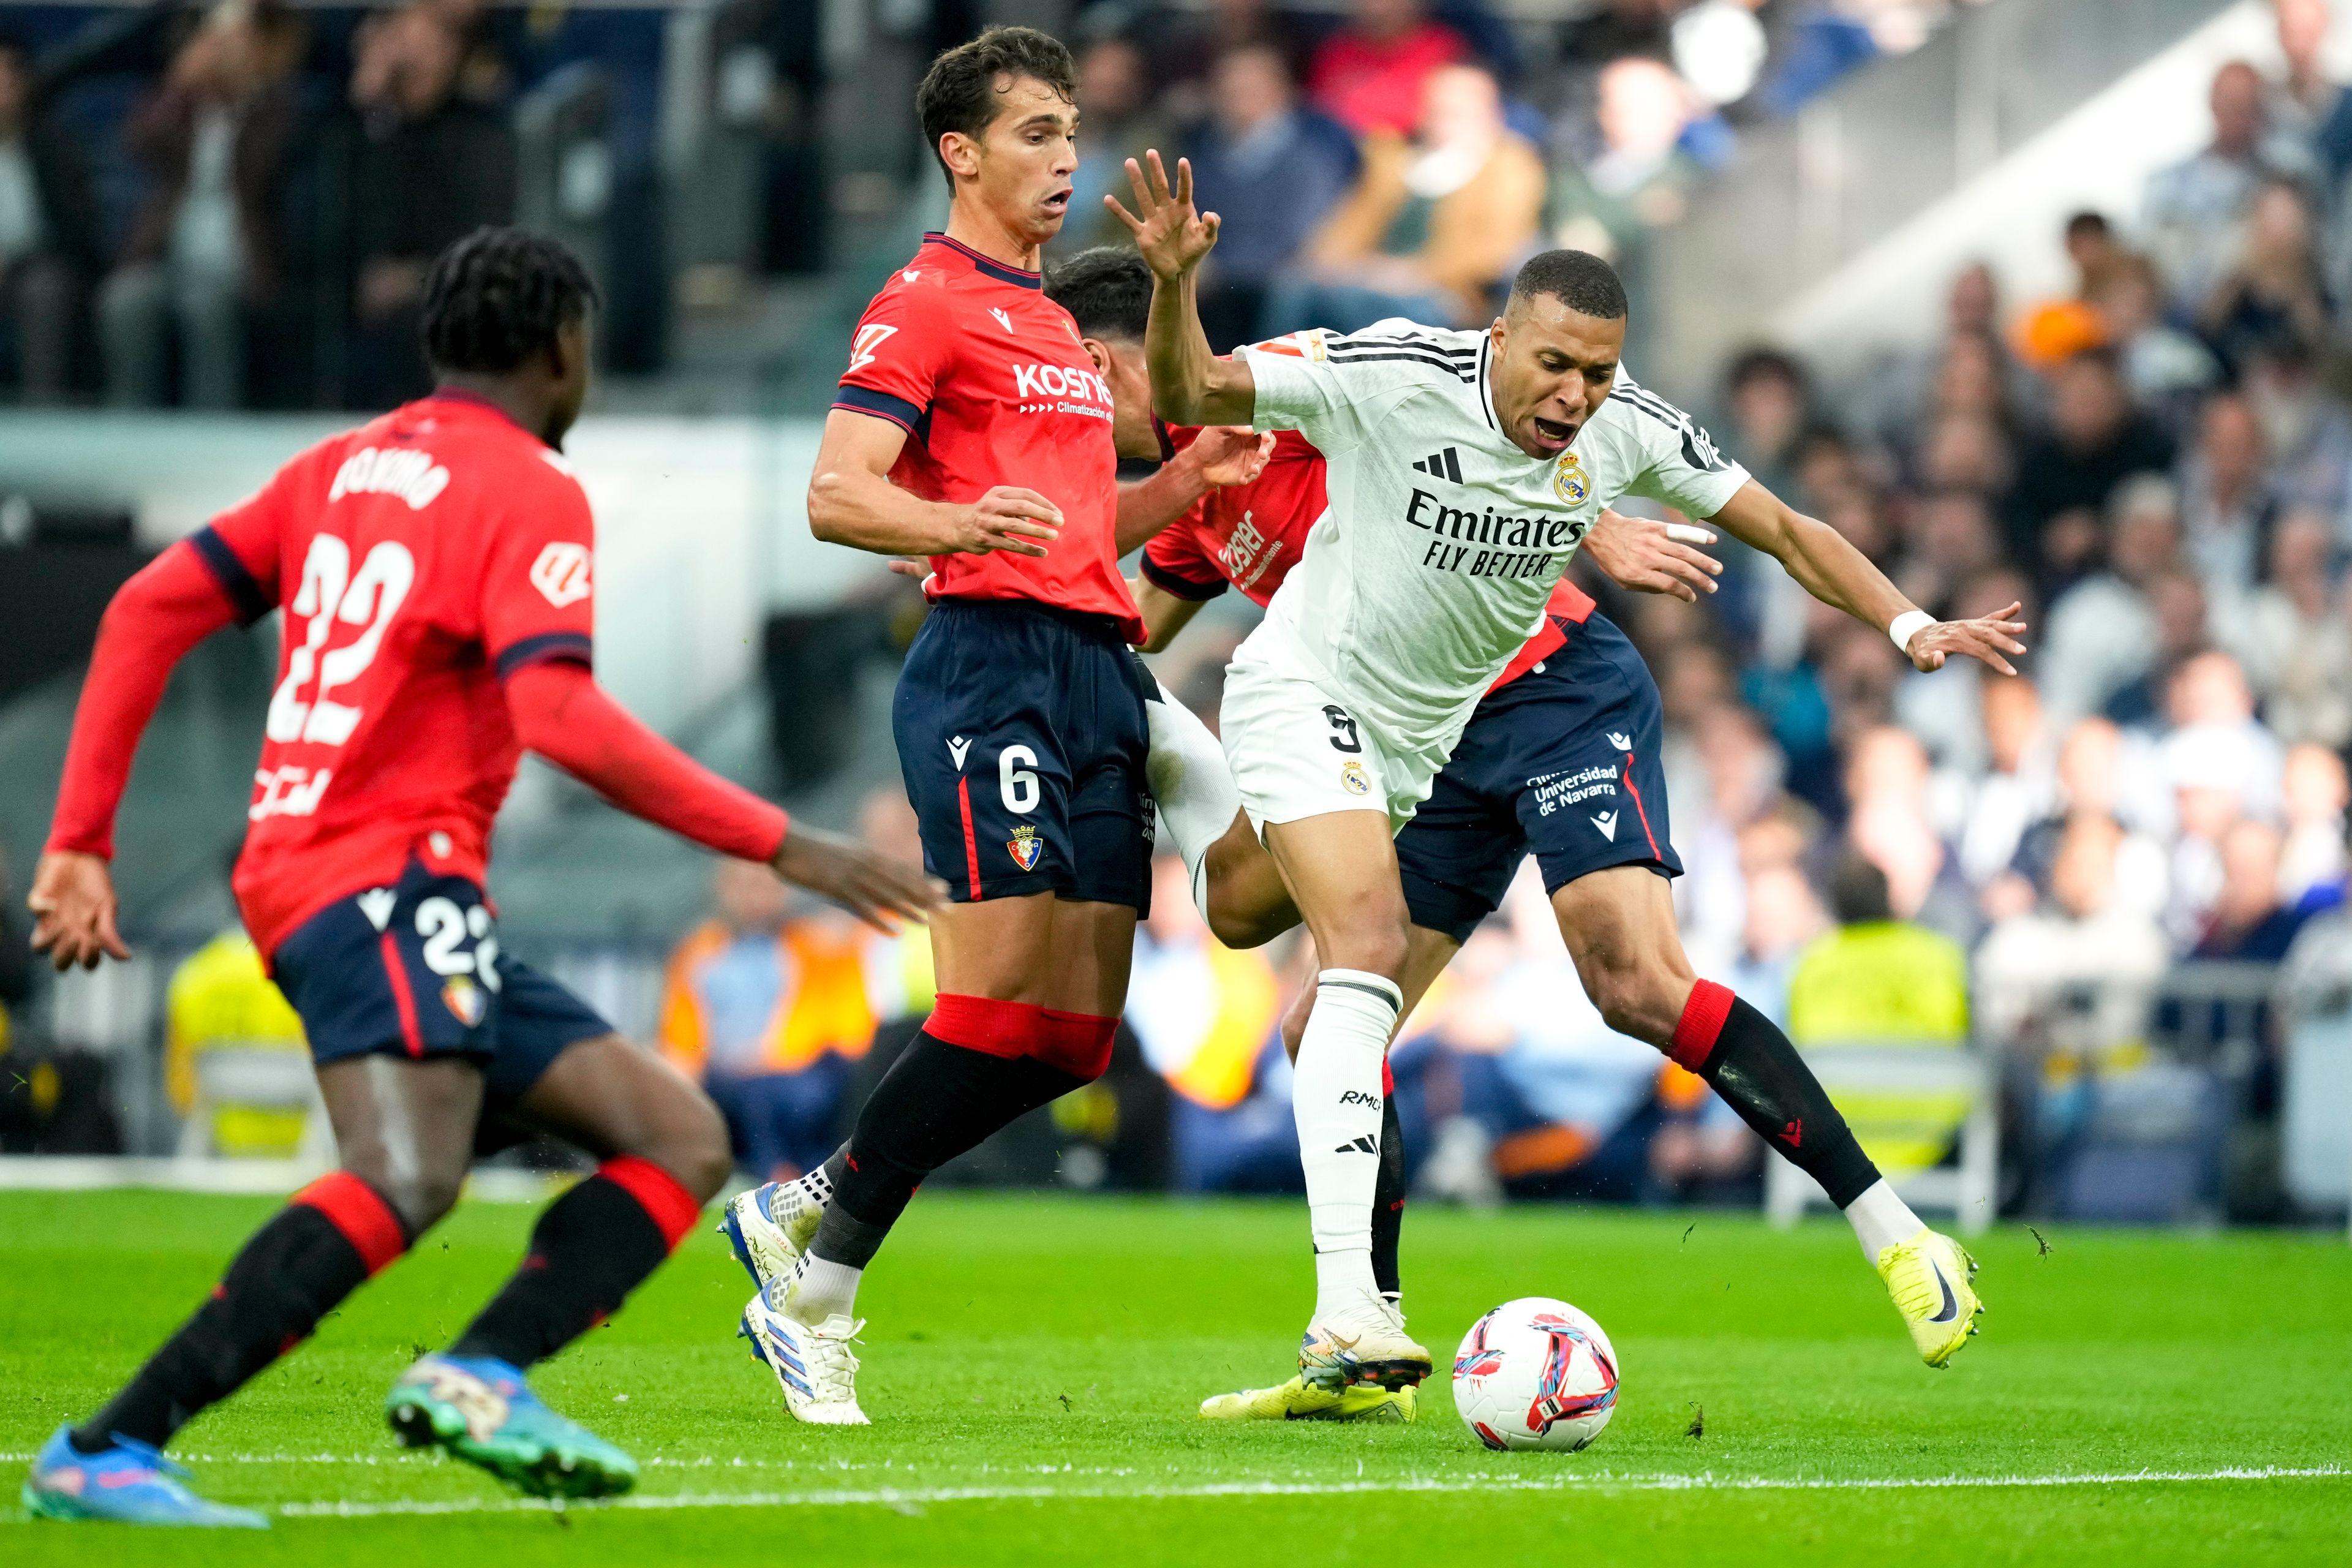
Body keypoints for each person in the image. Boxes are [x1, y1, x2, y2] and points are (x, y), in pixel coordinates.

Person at [19, 227, 939, 1525]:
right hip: (377, 875)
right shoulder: (525, 486)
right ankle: (109, 1445)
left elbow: (145, 609)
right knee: (408, 1177)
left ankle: (482, 1372)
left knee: (676, 1133)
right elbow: (557, 713)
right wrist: (774, 837)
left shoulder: (337, 470)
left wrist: (80, 837)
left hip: (345, 877)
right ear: (564, 347)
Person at [1115, 154, 2024, 1396]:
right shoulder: (1218, 487)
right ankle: (1363, 1332)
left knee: (1635, 980)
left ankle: (1899, 1233)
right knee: (1315, 1007)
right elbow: (1131, 608)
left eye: (1597, 372)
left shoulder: (1385, 397)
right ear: (1506, 337)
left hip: (1554, 694)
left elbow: (1779, 524)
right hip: (1410, 739)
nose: (1577, 392)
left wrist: (1913, 623)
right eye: (1558, 364)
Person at [717, 28, 1264, 1429]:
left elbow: (1082, 528)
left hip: (1097, 663)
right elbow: (839, 494)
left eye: (1070, 129)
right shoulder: (925, 300)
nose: (1064, 155)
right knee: (995, 988)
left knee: (1076, 1035)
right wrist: (952, 521)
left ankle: (807, 1203)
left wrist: (1185, 475)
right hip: (986, 663)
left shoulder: (1051, 329)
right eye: (1033, 132)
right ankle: (820, 1288)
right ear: (960, 152)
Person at [99, 0, 307, 409]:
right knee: (125, 299)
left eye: (236, 42)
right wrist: (178, 88)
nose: (222, 53)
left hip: (240, 265)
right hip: (169, 258)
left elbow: (264, 167)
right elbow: (136, 140)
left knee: (204, 305)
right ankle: (128, 424)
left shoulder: (277, 109)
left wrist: (244, 95)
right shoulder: (182, 110)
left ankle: (213, 423)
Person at [1261, 62, 1543, 336]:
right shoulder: (1396, 159)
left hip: (1446, 293)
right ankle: (1262, 378)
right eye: (1436, 109)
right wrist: (1333, 264)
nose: (1444, 119)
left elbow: (1495, 248)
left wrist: (1414, 274)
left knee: (1359, 306)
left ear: (1489, 114)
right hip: (1369, 277)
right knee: (1296, 290)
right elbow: (1351, 224)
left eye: (1457, 112)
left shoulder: (1510, 165)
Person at [657, 859, 878, 1183]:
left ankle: (782, 1179)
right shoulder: (698, 951)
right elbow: (681, 1033)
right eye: (745, 885)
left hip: (800, 1071)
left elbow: (833, 1024)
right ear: (723, 889)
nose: (755, 897)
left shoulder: (815, 945)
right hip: (721, 1073)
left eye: (764, 886)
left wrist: (765, 1058)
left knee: (772, 1095)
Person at [0, 36, 102, 403]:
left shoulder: (55, 148)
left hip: (38, 264)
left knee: (47, 290)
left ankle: (44, 409)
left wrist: (15, 263)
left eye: (10, 77)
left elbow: (77, 231)